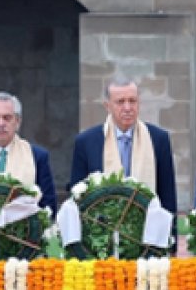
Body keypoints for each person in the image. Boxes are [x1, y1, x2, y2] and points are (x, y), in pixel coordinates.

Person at [69, 76, 178, 213]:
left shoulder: (158, 139)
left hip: (148, 227)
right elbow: (77, 196)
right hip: (101, 227)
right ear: (107, 106)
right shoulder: (86, 141)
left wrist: (170, 232)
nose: (128, 108)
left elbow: (167, 195)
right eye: (120, 102)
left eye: (132, 101)